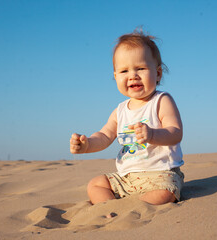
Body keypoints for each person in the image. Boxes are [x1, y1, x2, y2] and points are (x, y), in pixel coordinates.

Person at [70, 29, 184, 206]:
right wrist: (87, 145)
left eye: (140, 68)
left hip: (160, 174)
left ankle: (135, 207)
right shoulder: (120, 110)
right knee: (96, 184)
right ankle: (109, 209)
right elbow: (105, 136)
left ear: (158, 73)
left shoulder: (161, 101)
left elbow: (175, 132)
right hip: (126, 178)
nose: (133, 75)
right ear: (115, 76)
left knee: (164, 193)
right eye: (124, 71)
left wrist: (153, 134)